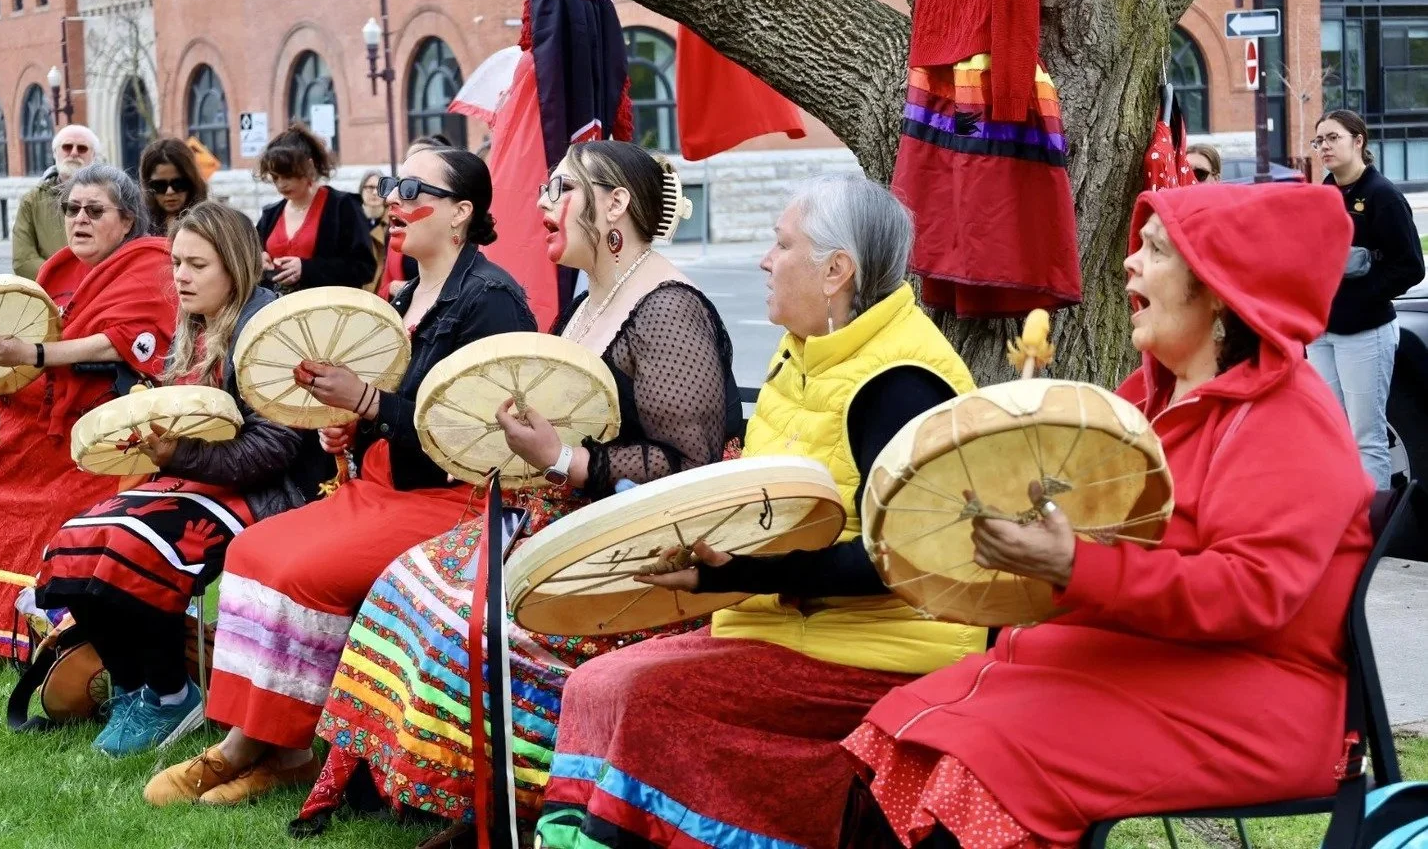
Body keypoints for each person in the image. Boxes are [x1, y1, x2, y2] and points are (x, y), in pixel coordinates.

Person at [844, 181, 1375, 849]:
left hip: (1257, 697)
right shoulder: (1143, 399)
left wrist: (1075, 566)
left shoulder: (1289, 417)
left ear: (1216, 288)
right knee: (902, 734)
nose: (1129, 264)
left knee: (981, 760)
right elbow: (1092, 527)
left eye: (1154, 252)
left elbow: (1250, 592)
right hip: (1148, 664)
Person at [293, 140, 745, 843]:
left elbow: (687, 466)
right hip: (558, 520)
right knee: (407, 586)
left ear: (616, 201)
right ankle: (444, 789)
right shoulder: (589, 304)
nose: (541, 205)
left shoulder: (667, 308)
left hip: (639, 554)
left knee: (475, 622)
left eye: (560, 189)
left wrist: (563, 458)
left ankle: (519, 797)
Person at [531, 177, 982, 849]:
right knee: (599, 682)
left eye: (781, 244)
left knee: (639, 692)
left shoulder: (899, 381)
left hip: (877, 651)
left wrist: (734, 573)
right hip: (792, 626)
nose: (765, 260)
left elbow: (903, 556)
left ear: (836, 272)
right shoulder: (808, 348)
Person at [144, 145, 538, 807]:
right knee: (251, 549)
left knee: (303, 571)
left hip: (455, 499)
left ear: (462, 213)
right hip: (383, 487)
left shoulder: (493, 302)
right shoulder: (407, 293)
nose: (393, 198)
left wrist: (368, 404)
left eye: (415, 188)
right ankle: (258, 739)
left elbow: (484, 434)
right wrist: (353, 426)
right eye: (390, 184)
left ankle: (281, 747)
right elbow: (390, 412)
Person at [35, 202, 329, 756]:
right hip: (198, 478)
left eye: (197, 265)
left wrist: (177, 455)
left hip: (265, 492)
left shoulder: (270, 332)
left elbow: (274, 448)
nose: (181, 277)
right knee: (75, 542)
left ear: (236, 267)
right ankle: (132, 688)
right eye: (176, 263)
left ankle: (172, 694)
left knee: (132, 549)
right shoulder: (193, 324)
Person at [0, 165, 177, 658]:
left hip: (104, 429)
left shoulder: (150, 264)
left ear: (126, 220)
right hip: (43, 421)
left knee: (56, 506)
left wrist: (33, 355)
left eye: (94, 210)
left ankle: (58, 632)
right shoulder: (57, 267)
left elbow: (125, 343)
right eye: (72, 209)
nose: (79, 219)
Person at [1307, 110, 1424, 490]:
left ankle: (1368, 528)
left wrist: (1359, 293)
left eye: (1333, 137)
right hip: (1322, 330)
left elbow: (1410, 267)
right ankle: (1337, 514)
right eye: (1319, 140)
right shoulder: (1323, 193)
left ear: (1358, 141)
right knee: (1329, 429)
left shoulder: (1382, 196)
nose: (1324, 146)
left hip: (1365, 330)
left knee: (1364, 435)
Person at [254, 123, 374, 293]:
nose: (281, 184)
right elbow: (249, 255)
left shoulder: (342, 206)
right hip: (277, 311)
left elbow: (364, 268)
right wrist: (258, 259)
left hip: (328, 312)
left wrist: (307, 269)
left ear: (309, 167)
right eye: (275, 177)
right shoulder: (270, 214)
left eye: (288, 175)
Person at [12, 124, 100, 280]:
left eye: (82, 148)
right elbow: (23, 260)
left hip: (99, 293)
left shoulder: (112, 199)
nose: (74, 153)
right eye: (67, 147)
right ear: (55, 153)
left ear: (93, 156)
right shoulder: (32, 201)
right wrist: (64, 281)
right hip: (51, 297)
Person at [140, 138, 209, 237]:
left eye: (178, 184)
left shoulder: (209, 223)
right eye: (160, 186)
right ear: (148, 186)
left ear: (191, 182)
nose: (170, 192)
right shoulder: (138, 227)